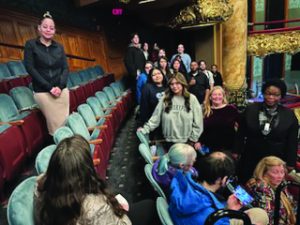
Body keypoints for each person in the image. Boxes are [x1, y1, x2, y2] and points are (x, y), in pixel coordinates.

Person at [34, 135, 158, 225]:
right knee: (150, 205)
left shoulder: (41, 186)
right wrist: (120, 213)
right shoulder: (96, 207)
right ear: (86, 168)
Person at [169, 151, 269, 225]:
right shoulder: (215, 217)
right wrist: (227, 212)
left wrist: (227, 209)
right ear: (223, 179)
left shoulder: (182, 181)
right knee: (261, 216)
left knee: (259, 214)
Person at [235, 79, 298, 183]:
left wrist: (291, 163)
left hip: (275, 160)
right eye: (268, 93)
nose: (271, 97)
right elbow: (240, 133)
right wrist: (236, 151)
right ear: (263, 93)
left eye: (276, 95)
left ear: (281, 96)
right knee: (246, 186)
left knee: (270, 189)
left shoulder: (289, 115)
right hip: (250, 157)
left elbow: (292, 141)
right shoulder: (251, 109)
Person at [24, 12, 69, 135]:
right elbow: (30, 68)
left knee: (65, 123)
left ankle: (66, 147)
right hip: (43, 92)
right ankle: (59, 148)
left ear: (54, 30)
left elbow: (65, 68)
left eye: (52, 28)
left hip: (61, 91)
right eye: (45, 27)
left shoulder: (59, 47)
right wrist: (49, 88)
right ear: (39, 28)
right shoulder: (31, 45)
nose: (48, 30)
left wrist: (60, 87)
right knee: (55, 126)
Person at [138, 72, 203, 150]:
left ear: (183, 83)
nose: (174, 86)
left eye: (177, 83)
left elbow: (198, 122)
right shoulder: (165, 98)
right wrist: (145, 129)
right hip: (169, 142)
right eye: (172, 84)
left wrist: (193, 139)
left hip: (187, 142)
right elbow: (155, 118)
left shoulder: (192, 98)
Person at [246, 156, 296, 225]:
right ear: (263, 173)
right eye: (275, 172)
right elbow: (269, 219)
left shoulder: (280, 185)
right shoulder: (261, 187)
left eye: (282, 172)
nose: (280, 176)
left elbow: (292, 206)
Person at [201, 86, 239, 152]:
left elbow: (240, 129)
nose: (217, 97)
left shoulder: (231, 109)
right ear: (210, 97)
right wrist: (199, 142)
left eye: (219, 94)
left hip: (228, 148)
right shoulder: (205, 111)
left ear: (223, 96)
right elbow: (200, 129)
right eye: (214, 94)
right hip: (208, 149)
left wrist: (237, 149)